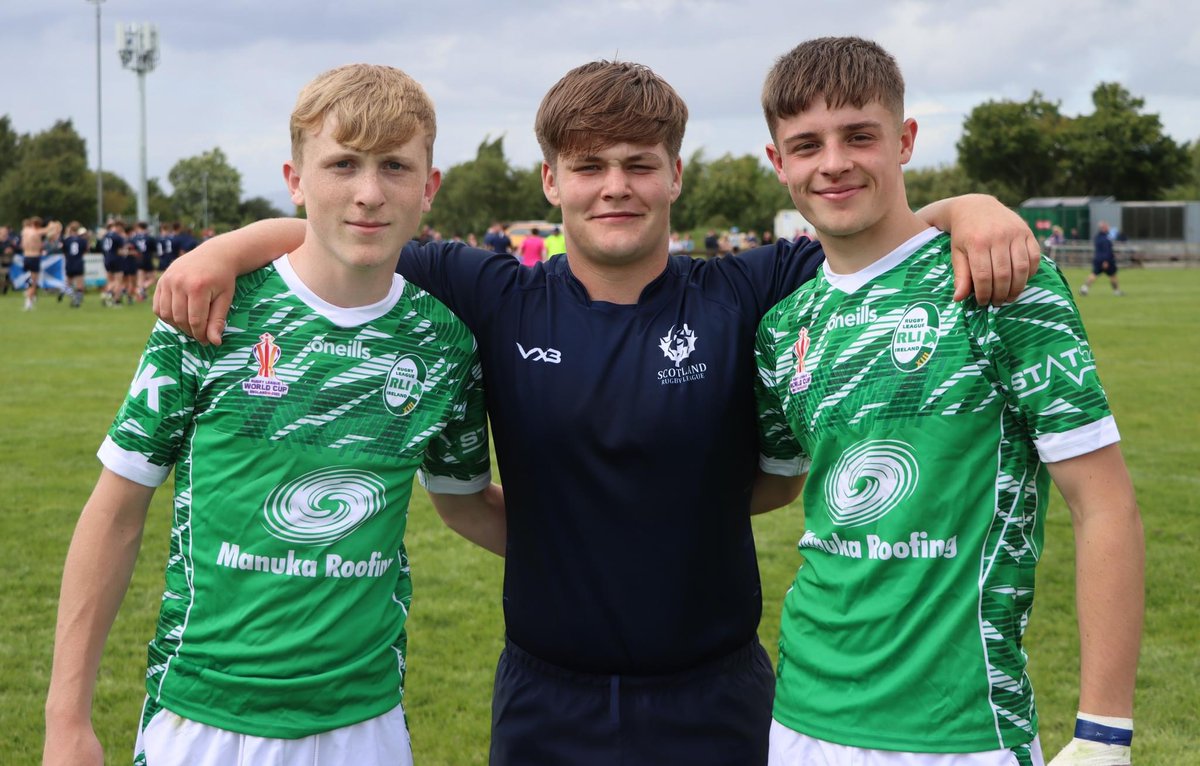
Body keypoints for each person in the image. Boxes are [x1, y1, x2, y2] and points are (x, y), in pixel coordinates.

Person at [151, 60, 1039, 765]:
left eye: (638, 165)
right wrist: (228, 247)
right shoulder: (492, 295)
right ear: (552, 181)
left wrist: (973, 207)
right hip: (545, 700)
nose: (615, 186)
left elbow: (872, 233)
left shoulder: (751, 287)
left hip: (718, 695)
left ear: (675, 176)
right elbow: (347, 237)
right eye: (589, 166)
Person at [42, 63, 504, 766]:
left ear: (429, 188)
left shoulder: (445, 343)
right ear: (295, 178)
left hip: (365, 723)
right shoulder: (211, 313)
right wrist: (66, 719)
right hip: (202, 716)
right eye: (342, 164)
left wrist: (624, 543)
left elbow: (465, 505)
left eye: (395, 167)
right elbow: (117, 508)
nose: (369, 193)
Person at [753, 37, 1143, 766]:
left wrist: (1104, 732)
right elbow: (772, 485)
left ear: (904, 141)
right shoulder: (784, 326)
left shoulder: (999, 284)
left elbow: (1106, 505)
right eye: (805, 144)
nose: (832, 162)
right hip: (798, 716)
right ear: (779, 164)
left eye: (858, 136)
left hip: (960, 734)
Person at [1080, 221, 1123, 296]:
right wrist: (1106, 261)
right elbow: (1106, 250)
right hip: (1106, 260)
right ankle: (1116, 291)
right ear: (1104, 228)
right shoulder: (1106, 238)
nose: (1108, 228)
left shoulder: (1097, 237)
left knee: (1094, 274)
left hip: (1098, 259)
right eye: (1107, 227)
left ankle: (1084, 288)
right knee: (1112, 275)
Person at [21, 216, 53, 310]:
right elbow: (49, 230)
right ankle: (29, 301)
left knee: (28, 280)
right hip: (34, 257)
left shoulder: (25, 231)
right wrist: (51, 224)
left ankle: (31, 296)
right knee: (34, 281)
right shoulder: (37, 232)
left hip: (26, 256)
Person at [61, 223, 90, 307]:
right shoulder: (82, 240)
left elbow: (64, 251)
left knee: (68, 283)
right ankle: (77, 300)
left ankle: (72, 297)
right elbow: (86, 250)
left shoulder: (66, 240)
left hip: (69, 262)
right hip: (78, 262)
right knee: (79, 283)